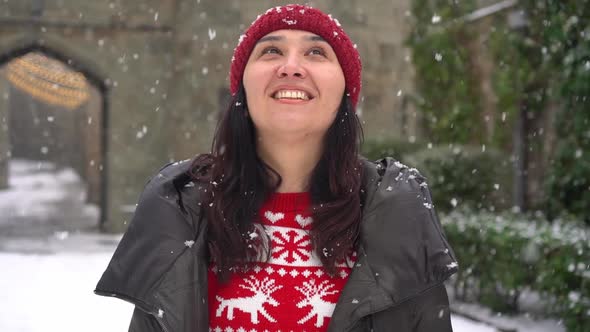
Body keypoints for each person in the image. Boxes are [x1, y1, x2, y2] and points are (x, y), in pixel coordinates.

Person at [95, 4, 459, 332]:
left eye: (316, 52)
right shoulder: (182, 213)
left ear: (345, 92)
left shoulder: (396, 217)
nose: (291, 67)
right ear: (242, 89)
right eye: (271, 51)